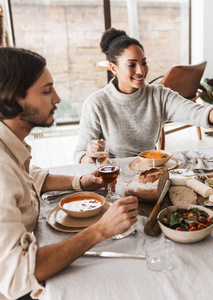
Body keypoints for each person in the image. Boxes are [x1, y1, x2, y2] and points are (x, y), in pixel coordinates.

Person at [0, 47, 139, 299]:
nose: (57, 99)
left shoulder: (8, 143)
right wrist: (101, 230)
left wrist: (79, 182)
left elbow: (29, 177)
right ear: (13, 98)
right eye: (46, 90)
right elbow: (19, 275)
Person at [74, 28, 213, 163]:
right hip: (115, 172)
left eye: (143, 63)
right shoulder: (96, 103)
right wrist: (90, 156)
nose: (141, 71)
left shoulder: (158, 95)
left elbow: (195, 112)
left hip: (152, 167)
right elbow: (79, 154)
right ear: (114, 68)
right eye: (132, 65)